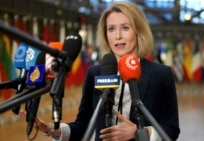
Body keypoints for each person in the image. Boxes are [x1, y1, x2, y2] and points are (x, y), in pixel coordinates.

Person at [19, 2, 180, 141]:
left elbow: (171, 130)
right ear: (105, 35)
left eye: (125, 28)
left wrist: (139, 132)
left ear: (139, 31)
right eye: (111, 29)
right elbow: (82, 126)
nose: (117, 36)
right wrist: (49, 129)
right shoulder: (95, 73)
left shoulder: (161, 74)